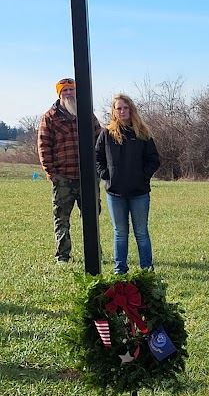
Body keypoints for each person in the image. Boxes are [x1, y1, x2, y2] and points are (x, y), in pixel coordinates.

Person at [37, 77, 101, 264]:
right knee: (61, 219)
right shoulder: (50, 117)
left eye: (71, 90)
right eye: (64, 90)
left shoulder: (87, 114)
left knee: (91, 219)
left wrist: (98, 170)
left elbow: (100, 141)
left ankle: (95, 253)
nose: (68, 93)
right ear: (59, 94)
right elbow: (43, 147)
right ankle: (63, 256)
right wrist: (52, 174)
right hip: (63, 178)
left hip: (88, 178)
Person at [95, 94, 161, 274]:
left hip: (139, 193)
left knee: (141, 232)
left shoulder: (143, 133)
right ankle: (120, 269)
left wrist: (143, 176)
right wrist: (106, 175)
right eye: (119, 108)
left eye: (125, 107)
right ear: (114, 111)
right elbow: (97, 157)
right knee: (120, 233)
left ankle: (147, 269)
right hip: (115, 193)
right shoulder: (106, 134)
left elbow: (154, 159)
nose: (122, 111)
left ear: (131, 109)